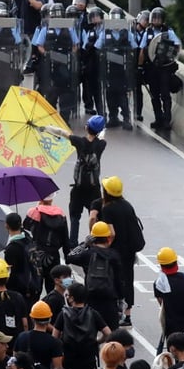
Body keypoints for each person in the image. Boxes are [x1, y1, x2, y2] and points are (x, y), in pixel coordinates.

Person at [44, 115, 106, 244]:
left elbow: (61, 132)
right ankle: (96, 241)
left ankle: (73, 244)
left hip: (78, 188)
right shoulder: (101, 145)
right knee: (95, 217)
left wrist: (45, 128)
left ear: (86, 127)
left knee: (74, 217)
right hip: (94, 190)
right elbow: (102, 137)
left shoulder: (79, 142)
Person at [91, 175, 143, 327]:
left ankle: (116, 311)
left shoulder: (108, 208)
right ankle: (128, 315)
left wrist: (104, 246)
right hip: (130, 250)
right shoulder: (127, 205)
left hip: (117, 251)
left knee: (115, 280)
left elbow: (112, 232)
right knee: (128, 279)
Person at [54, 283, 110, 369]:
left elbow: (54, 338)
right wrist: (98, 341)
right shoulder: (93, 313)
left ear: (72, 298)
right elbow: (108, 333)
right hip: (88, 361)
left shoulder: (63, 314)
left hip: (69, 361)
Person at [67, 221, 124, 330]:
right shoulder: (114, 255)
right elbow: (119, 280)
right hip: (109, 299)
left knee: (90, 331)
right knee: (112, 334)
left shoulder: (87, 254)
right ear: (108, 238)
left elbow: (69, 257)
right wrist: (121, 299)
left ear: (92, 238)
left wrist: (84, 244)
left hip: (91, 297)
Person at [136, 7, 180, 130]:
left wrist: (169, 57)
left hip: (165, 68)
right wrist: (139, 67)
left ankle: (167, 119)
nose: (156, 20)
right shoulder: (147, 33)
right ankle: (158, 118)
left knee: (165, 94)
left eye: (158, 18)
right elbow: (142, 51)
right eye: (154, 18)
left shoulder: (169, 32)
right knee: (154, 95)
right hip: (151, 68)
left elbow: (176, 47)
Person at [23, 195, 71, 294]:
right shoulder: (61, 214)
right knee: (53, 287)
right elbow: (65, 238)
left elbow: (25, 229)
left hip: (37, 254)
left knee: (36, 287)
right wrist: (67, 257)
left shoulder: (34, 212)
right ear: (51, 199)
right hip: (53, 255)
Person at [13, 301, 64, 369]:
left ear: (32, 319)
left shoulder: (21, 337)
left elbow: (15, 359)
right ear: (49, 319)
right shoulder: (54, 342)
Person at [154, 247, 184, 336]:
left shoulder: (159, 284)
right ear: (176, 262)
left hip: (171, 326)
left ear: (161, 265)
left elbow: (162, 304)